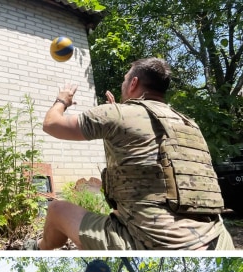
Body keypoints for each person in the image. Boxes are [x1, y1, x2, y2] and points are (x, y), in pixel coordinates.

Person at [31, 57, 233, 250]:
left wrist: (62, 100)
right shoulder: (189, 123)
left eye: (124, 79)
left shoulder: (118, 114)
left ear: (133, 83)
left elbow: (51, 124)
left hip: (154, 244)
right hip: (218, 239)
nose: (123, 83)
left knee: (57, 210)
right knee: (120, 209)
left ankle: (37, 249)